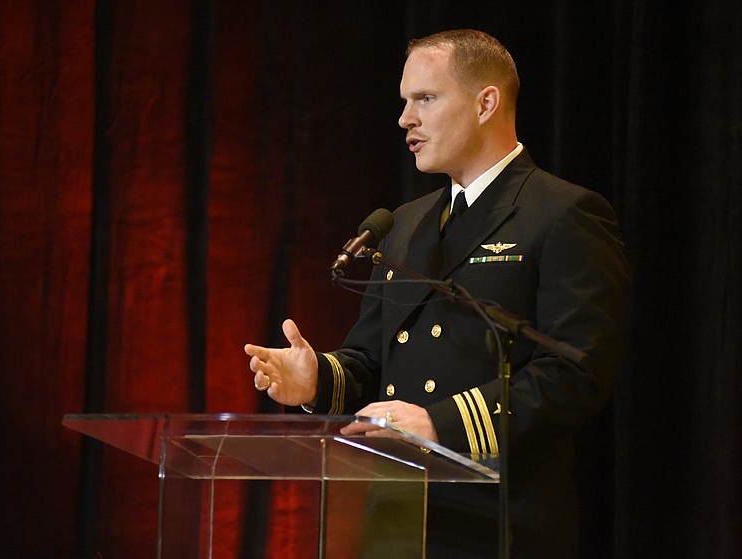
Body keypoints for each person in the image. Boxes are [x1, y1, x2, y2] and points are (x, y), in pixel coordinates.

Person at [244, 29, 629, 558]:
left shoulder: (562, 213)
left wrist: (439, 423)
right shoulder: (404, 224)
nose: (405, 118)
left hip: (498, 519)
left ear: (486, 102)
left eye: (425, 99)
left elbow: (577, 372)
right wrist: (317, 380)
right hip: (398, 517)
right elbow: (370, 363)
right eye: (404, 102)